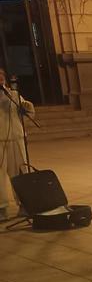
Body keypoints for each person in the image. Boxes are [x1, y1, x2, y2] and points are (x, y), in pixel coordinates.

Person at [0, 67, 35, 221]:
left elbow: (25, 112)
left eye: (1, 76)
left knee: (20, 172)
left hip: (16, 137)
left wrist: (26, 107)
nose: (0, 79)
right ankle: (2, 208)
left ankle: (24, 205)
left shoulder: (13, 94)